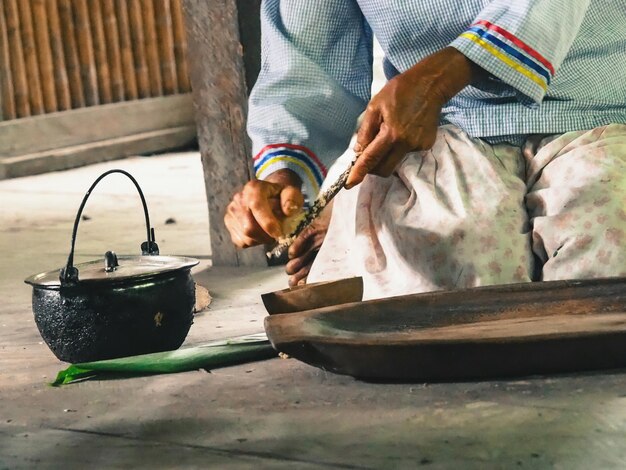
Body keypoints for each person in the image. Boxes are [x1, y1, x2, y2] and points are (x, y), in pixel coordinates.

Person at [224, 0, 626, 300]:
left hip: (595, 110)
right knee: (431, 275)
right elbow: (307, 59)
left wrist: (441, 78)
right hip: (437, 130)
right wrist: (283, 185)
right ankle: (336, 239)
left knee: (606, 260)